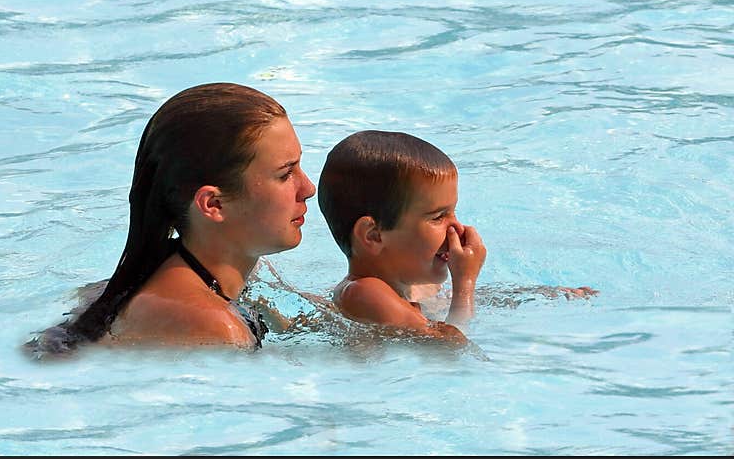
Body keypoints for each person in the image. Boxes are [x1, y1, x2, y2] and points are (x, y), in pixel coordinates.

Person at [29, 82, 315, 355]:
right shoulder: (218, 330)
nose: (308, 188)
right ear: (213, 204)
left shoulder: (206, 267)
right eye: (285, 174)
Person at [317, 131, 485, 347]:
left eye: (453, 212)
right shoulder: (364, 292)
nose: (457, 228)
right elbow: (450, 349)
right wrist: (465, 283)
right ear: (373, 236)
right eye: (438, 216)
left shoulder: (414, 286)